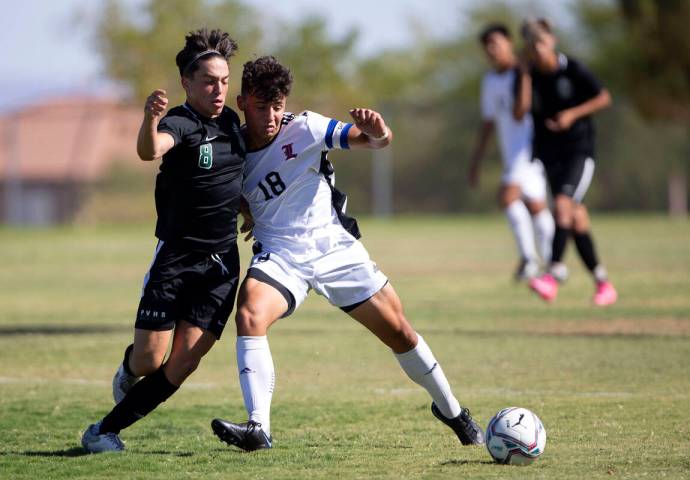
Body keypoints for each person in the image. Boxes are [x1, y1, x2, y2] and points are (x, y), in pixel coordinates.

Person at [210, 56, 483, 451]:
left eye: (277, 105)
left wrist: (380, 132)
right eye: (260, 106)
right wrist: (245, 207)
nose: (270, 116)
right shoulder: (230, 150)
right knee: (250, 312)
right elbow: (223, 189)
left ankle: (453, 411)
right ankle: (258, 428)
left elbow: (371, 141)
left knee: (401, 332)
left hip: (335, 250)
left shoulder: (306, 128)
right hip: (282, 256)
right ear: (241, 102)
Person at [81, 28, 246, 453]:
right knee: (150, 360)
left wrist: (248, 213)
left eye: (225, 81)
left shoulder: (231, 123)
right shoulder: (179, 122)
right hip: (177, 257)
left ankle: (103, 431)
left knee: (184, 361)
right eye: (209, 81)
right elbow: (150, 149)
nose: (219, 89)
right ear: (187, 83)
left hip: (222, 264)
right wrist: (149, 120)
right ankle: (128, 366)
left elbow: (233, 181)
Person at [517, 18, 618, 306]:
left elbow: (604, 98)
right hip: (551, 154)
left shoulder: (573, 69)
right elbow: (521, 111)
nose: (537, 50)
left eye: (541, 43)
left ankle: (553, 274)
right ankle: (603, 284)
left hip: (579, 152)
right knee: (575, 219)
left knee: (561, 206)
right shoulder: (531, 76)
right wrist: (524, 75)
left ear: (552, 41)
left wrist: (573, 114)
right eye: (531, 45)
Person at [468, 23, 555, 280]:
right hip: (512, 152)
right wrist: (476, 161)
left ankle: (529, 260)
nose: (492, 50)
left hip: (530, 149)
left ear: (509, 43)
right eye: (487, 47)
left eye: (496, 43)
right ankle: (553, 262)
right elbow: (488, 122)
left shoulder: (525, 72)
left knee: (508, 198)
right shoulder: (490, 80)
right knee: (537, 206)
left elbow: (520, 114)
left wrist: (525, 75)